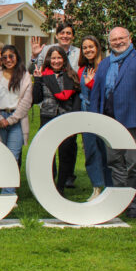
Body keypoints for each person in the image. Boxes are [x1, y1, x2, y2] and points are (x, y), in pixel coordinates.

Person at [89, 27, 136, 218]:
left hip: (133, 122)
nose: (118, 42)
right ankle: (120, 202)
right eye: (114, 39)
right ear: (109, 42)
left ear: (129, 39)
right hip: (110, 122)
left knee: (133, 164)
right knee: (115, 164)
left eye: (122, 38)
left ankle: (134, 205)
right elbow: (97, 93)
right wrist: (95, 119)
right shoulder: (104, 64)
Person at [31, 23, 80, 188]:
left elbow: (73, 98)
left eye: (59, 58)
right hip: (47, 117)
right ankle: (49, 183)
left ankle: (61, 185)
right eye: (53, 58)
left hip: (65, 118)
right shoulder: (43, 76)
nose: (56, 61)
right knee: (47, 153)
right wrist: (37, 80)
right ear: (49, 60)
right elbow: (36, 98)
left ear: (64, 60)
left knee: (66, 153)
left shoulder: (71, 76)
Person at [0, 45, 32, 196]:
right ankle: (4, 187)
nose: (8, 60)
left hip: (16, 121)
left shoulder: (25, 76)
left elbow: (26, 101)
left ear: (17, 57)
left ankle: (8, 193)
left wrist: (12, 119)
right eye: (4, 57)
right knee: (1, 156)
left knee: (13, 156)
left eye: (11, 56)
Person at [77, 36, 113, 201]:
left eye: (91, 46)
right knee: (91, 151)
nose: (88, 50)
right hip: (86, 114)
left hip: (104, 113)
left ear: (97, 47)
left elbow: (109, 90)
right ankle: (97, 187)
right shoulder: (82, 69)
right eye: (85, 48)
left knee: (107, 151)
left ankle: (111, 187)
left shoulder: (106, 67)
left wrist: (92, 84)